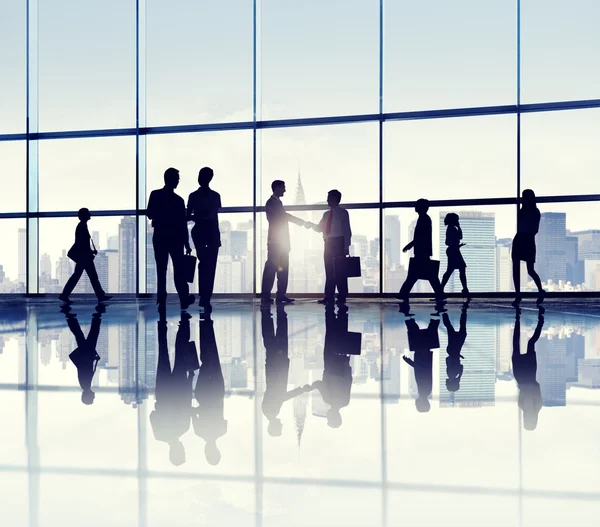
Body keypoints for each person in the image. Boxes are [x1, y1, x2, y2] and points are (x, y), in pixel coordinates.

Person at [150, 312, 196, 466]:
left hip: (179, 387)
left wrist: (190, 379)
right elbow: (152, 415)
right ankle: (162, 322)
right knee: (163, 353)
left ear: (179, 451)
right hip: (163, 393)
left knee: (180, 354)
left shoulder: (184, 427)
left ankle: (183, 323)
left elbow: (187, 401)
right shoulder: (159, 434)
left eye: (182, 451)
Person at [147, 167, 195, 310]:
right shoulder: (178, 201)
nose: (178, 182)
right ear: (171, 179)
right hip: (176, 238)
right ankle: (183, 299)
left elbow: (150, 214)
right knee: (178, 270)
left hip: (160, 236)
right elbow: (182, 223)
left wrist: (161, 218)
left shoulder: (155, 195)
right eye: (177, 179)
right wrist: (186, 242)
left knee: (161, 270)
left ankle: (161, 300)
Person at [261, 306, 311, 436]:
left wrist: (301, 390)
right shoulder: (267, 412)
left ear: (274, 427)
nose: (281, 424)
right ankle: (267, 314)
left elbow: (282, 395)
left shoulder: (271, 412)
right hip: (273, 367)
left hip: (278, 366)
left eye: (280, 427)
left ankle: (279, 312)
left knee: (280, 336)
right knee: (270, 341)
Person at [260, 180, 310, 307]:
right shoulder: (271, 203)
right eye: (283, 187)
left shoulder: (277, 203)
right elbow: (280, 218)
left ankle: (280, 295)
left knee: (283, 269)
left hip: (282, 242)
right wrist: (302, 222)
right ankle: (266, 295)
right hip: (275, 243)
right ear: (276, 188)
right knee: (271, 268)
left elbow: (282, 217)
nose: (285, 190)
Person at [311, 307, 357, 428]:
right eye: (329, 418)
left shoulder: (345, 402)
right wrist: (310, 387)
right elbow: (319, 384)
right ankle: (329, 309)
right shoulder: (328, 400)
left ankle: (343, 311)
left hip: (342, 364)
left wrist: (347, 364)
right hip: (330, 365)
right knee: (330, 334)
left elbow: (349, 381)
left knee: (342, 335)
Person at [192, 316, 227, 466]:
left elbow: (219, 410)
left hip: (217, 391)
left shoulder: (222, 431)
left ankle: (207, 323)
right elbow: (194, 412)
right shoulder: (199, 432)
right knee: (205, 359)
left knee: (212, 356)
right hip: (203, 393)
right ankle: (203, 324)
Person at [59, 208, 112, 304]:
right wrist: (90, 252)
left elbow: (81, 243)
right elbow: (82, 243)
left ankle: (64, 295)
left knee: (80, 276)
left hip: (83, 257)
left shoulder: (82, 226)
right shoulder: (82, 226)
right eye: (88, 213)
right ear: (84, 215)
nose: (90, 214)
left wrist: (90, 251)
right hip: (85, 257)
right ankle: (100, 296)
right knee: (92, 276)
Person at [187, 167, 221, 314]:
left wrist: (199, 216)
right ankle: (204, 296)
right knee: (207, 264)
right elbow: (188, 216)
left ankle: (205, 296)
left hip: (207, 231)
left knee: (208, 264)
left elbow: (191, 215)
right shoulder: (210, 196)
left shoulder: (199, 196)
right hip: (203, 231)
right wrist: (202, 217)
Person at [310, 190, 352, 306]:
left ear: (336, 199)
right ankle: (329, 296)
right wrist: (310, 225)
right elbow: (320, 228)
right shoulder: (326, 214)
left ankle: (342, 296)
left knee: (340, 272)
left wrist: (345, 247)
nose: (327, 200)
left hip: (339, 243)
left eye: (329, 198)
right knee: (329, 271)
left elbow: (347, 231)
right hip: (328, 244)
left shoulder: (343, 213)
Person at [398, 199, 444, 303]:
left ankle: (403, 294)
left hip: (422, 251)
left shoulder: (424, 219)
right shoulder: (424, 218)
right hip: (423, 251)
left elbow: (422, 237)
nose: (415, 206)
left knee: (415, 275)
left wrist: (410, 245)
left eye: (417, 205)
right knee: (425, 275)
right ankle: (440, 294)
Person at [63, 304, 104, 405]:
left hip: (87, 353)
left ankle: (96, 316)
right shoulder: (85, 385)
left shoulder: (86, 385)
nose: (94, 396)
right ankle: (70, 318)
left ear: (88, 396)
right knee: (81, 335)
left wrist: (93, 358)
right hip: (86, 354)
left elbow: (84, 368)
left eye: (92, 398)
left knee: (91, 334)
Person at [512, 308, 544, 431]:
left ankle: (518, 319)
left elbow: (536, 387)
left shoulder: (522, 406)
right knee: (529, 344)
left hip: (524, 376)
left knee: (518, 345)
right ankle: (540, 321)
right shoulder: (536, 405)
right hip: (526, 376)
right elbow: (537, 387)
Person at [512, 189, 545, 307]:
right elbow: (535, 229)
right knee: (529, 269)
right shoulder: (535, 212)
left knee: (518, 269)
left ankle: (518, 294)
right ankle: (540, 291)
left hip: (521, 238)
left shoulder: (522, 211)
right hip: (527, 239)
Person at [403, 317, 440, 413]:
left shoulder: (425, 391)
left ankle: (437, 312)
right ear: (421, 403)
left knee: (420, 331)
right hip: (422, 356)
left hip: (424, 355)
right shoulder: (424, 390)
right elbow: (422, 370)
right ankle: (406, 311)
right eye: (417, 405)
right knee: (415, 332)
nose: (415, 403)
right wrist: (410, 362)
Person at [440, 213, 469, 297]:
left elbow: (455, 239)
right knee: (457, 270)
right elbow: (459, 237)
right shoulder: (452, 228)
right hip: (454, 251)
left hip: (453, 250)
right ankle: (464, 289)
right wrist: (459, 227)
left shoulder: (450, 228)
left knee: (451, 270)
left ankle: (441, 288)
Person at [442, 303, 468, 394]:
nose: (445, 384)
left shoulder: (453, 375)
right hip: (453, 350)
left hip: (455, 350)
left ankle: (463, 312)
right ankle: (443, 312)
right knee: (450, 329)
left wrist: (459, 377)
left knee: (461, 330)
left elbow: (460, 366)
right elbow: (448, 360)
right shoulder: (451, 375)